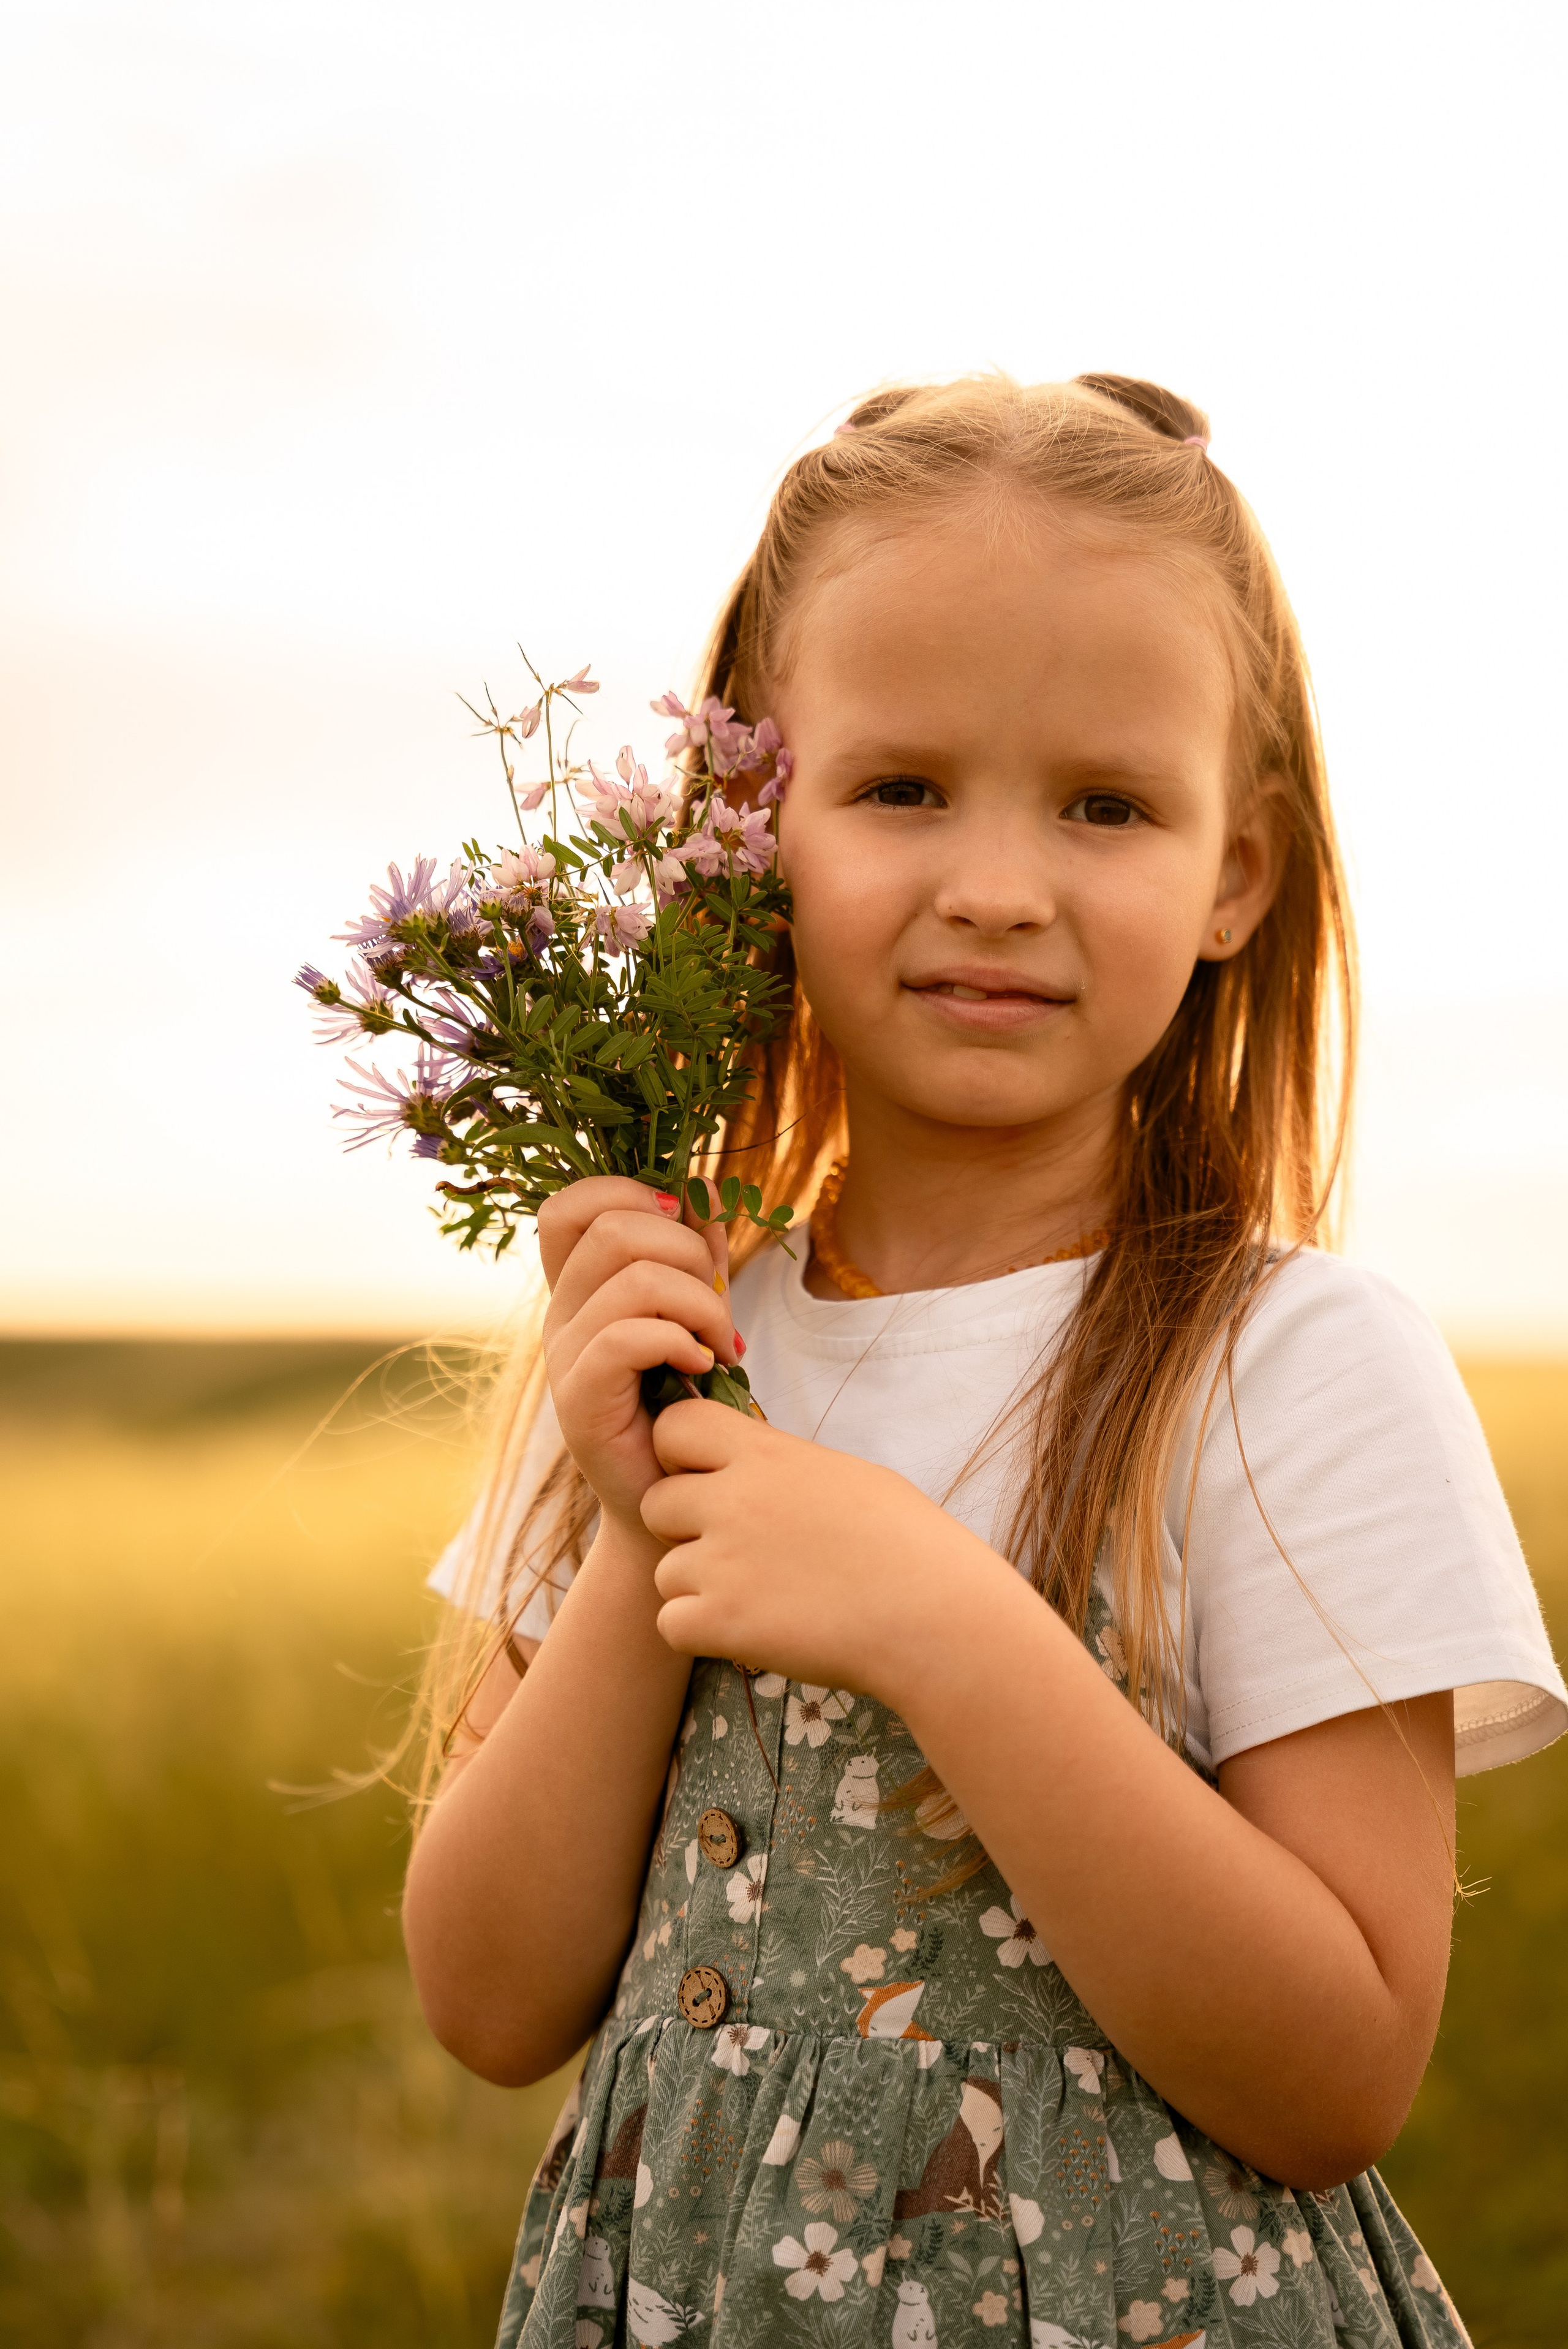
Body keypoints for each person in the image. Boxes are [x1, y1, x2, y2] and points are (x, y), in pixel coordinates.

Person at [401, 375, 1566, 2348]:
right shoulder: (682, 1338)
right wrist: (634, 1536)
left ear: (1237, 876)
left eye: (1106, 804)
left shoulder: (1289, 1370)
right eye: (903, 787)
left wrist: (942, 1616)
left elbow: (1338, 2070)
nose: (1002, 885)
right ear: (749, 829)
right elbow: (491, 2002)